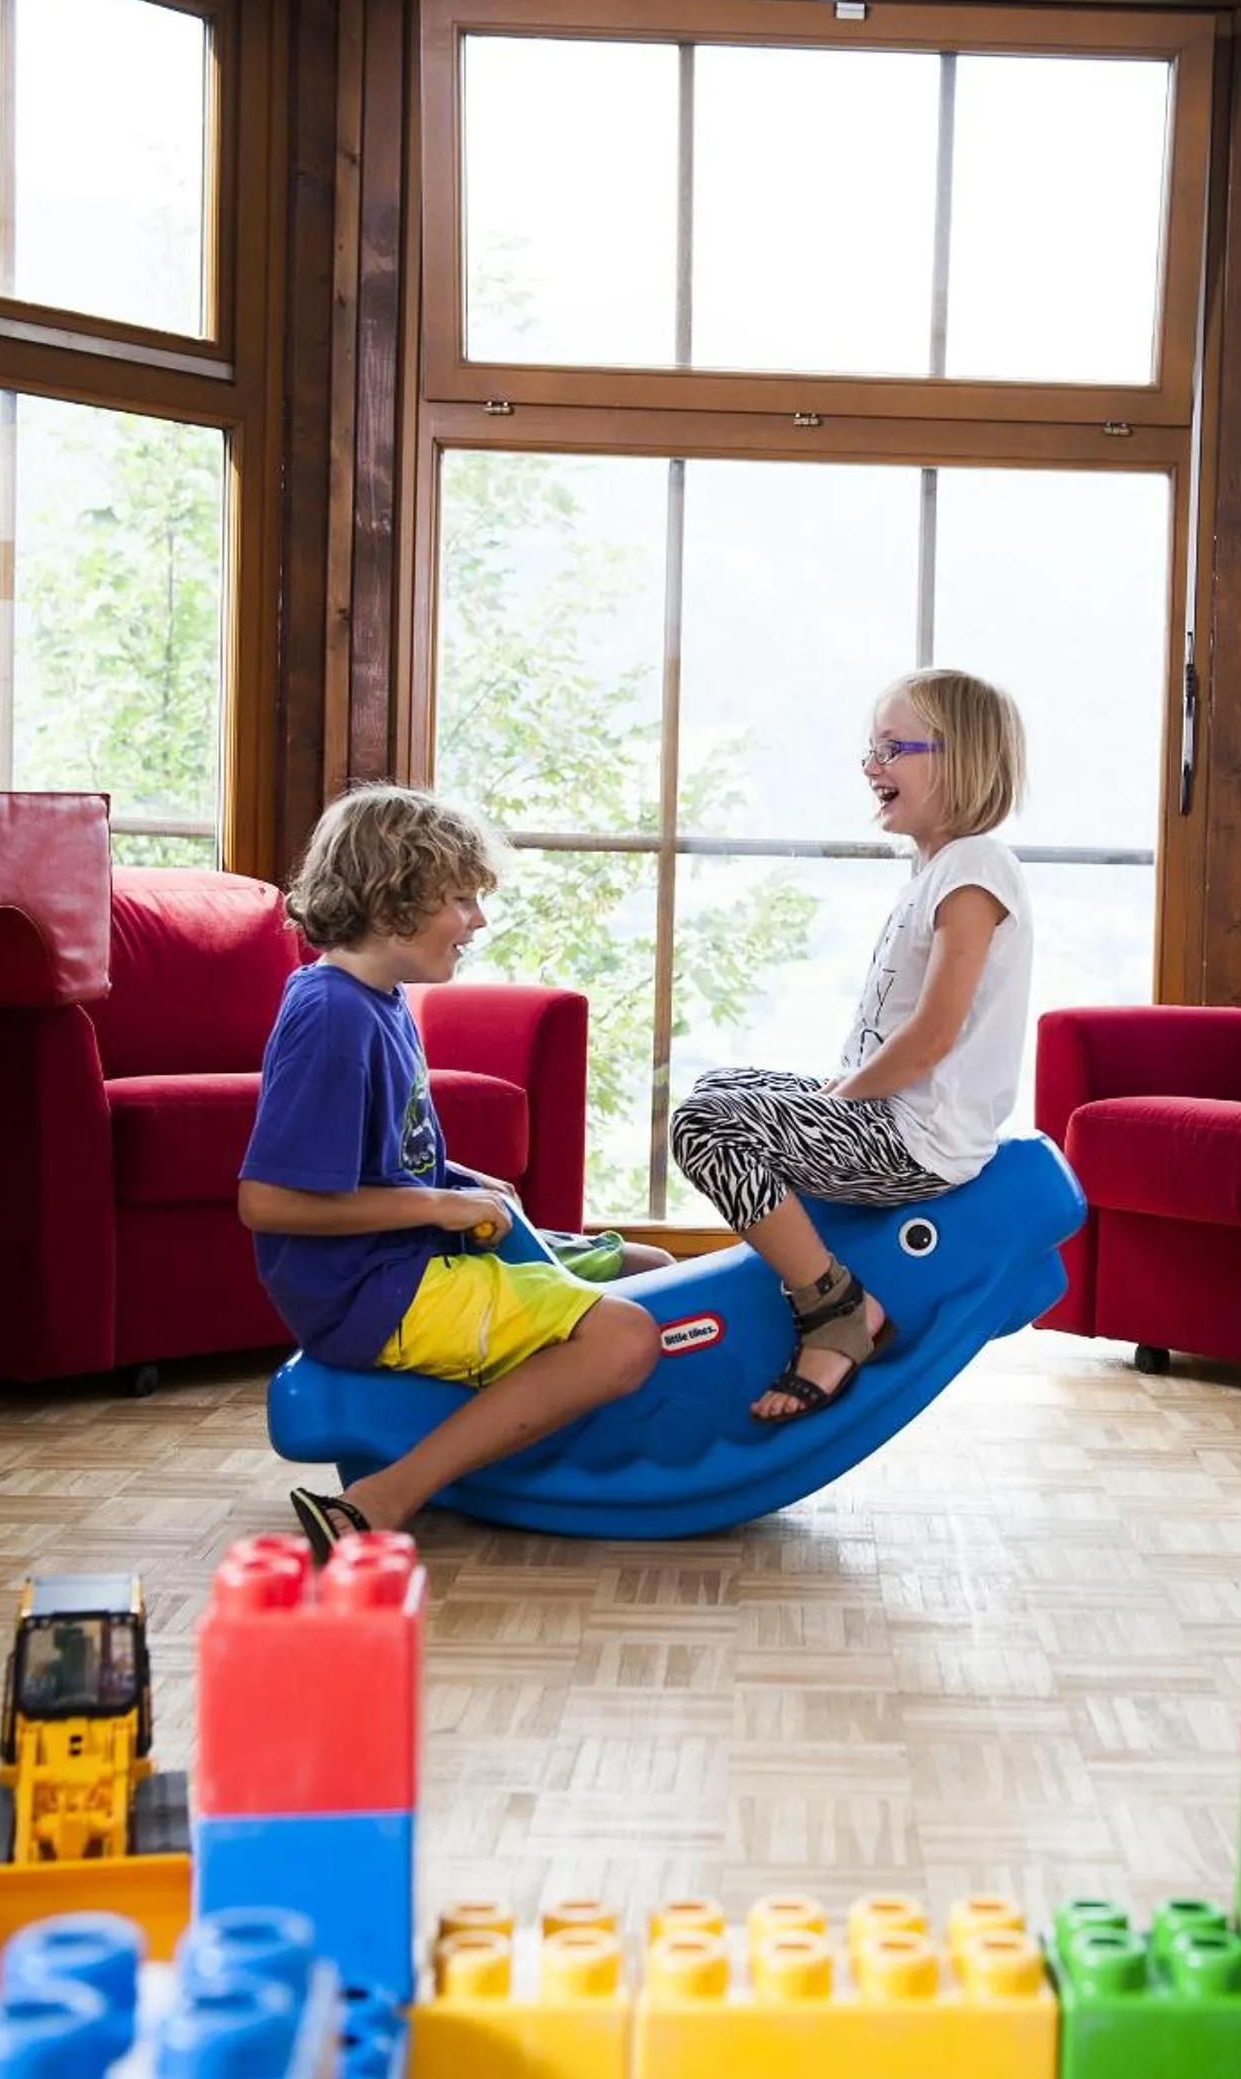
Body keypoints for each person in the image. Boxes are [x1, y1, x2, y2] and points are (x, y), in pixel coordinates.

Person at [239, 786, 661, 1560]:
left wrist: (461, 1180)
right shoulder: (331, 1018)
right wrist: (438, 1205)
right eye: (461, 898)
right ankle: (384, 1497)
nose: (479, 920)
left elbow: (379, 1160)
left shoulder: (381, 1000)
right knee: (626, 1336)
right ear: (391, 898)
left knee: (648, 1266)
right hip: (372, 1292)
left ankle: (571, 1437)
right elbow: (267, 1200)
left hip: (409, 1260)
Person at [670, 668, 1031, 1425]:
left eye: (893, 748)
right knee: (719, 1088)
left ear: (959, 757)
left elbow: (933, 1035)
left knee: (702, 1125)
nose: (873, 767)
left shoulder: (975, 867)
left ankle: (832, 1307)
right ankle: (814, 1264)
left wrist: (840, 1099)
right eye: (871, 750)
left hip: (914, 1137)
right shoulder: (938, 866)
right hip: (891, 1117)